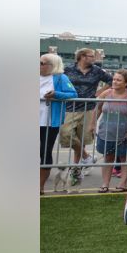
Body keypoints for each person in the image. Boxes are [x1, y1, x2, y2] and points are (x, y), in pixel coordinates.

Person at [60, 47, 114, 175]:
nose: (94, 59)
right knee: (66, 133)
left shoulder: (97, 71)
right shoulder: (67, 69)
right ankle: (86, 157)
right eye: (91, 56)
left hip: (88, 108)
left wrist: (100, 93)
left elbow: (111, 81)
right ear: (82, 57)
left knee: (82, 138)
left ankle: (76, 166)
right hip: (69, 107)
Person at [91, 69, 127, 193]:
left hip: (125, 134)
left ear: (126, 83)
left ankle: (123, 184)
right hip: (106, 132)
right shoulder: (106, 93)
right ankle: (105, 184)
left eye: (119, 80)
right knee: (108, 158)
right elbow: (97, 109)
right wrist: (92, 125)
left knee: (125, 159)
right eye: (114, 79)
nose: (115, 81)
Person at [40, 53, 78, 193]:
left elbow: (73, 94)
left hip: (49, 121)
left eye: (41, 63)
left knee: (44, 152)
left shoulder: (60, 78)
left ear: (52, 66)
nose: (38, 65)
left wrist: (56, 94)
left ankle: (40, 186)